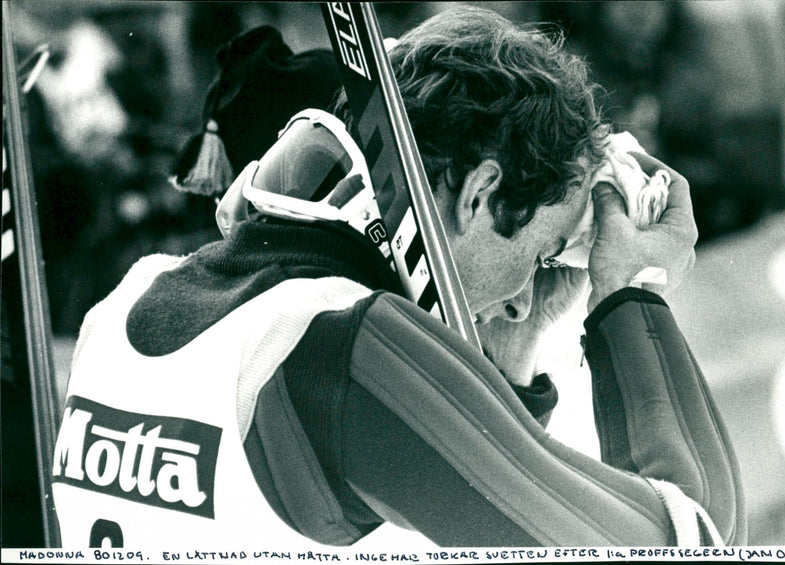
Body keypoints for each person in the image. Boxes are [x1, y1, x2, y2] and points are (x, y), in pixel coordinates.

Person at [51, 6, 745, 548]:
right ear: (478, 193)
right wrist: (633, 292)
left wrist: (517, 339)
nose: (521, 297)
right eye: (541, 255)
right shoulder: (351, 350)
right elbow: (700, 540)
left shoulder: (133, 296)